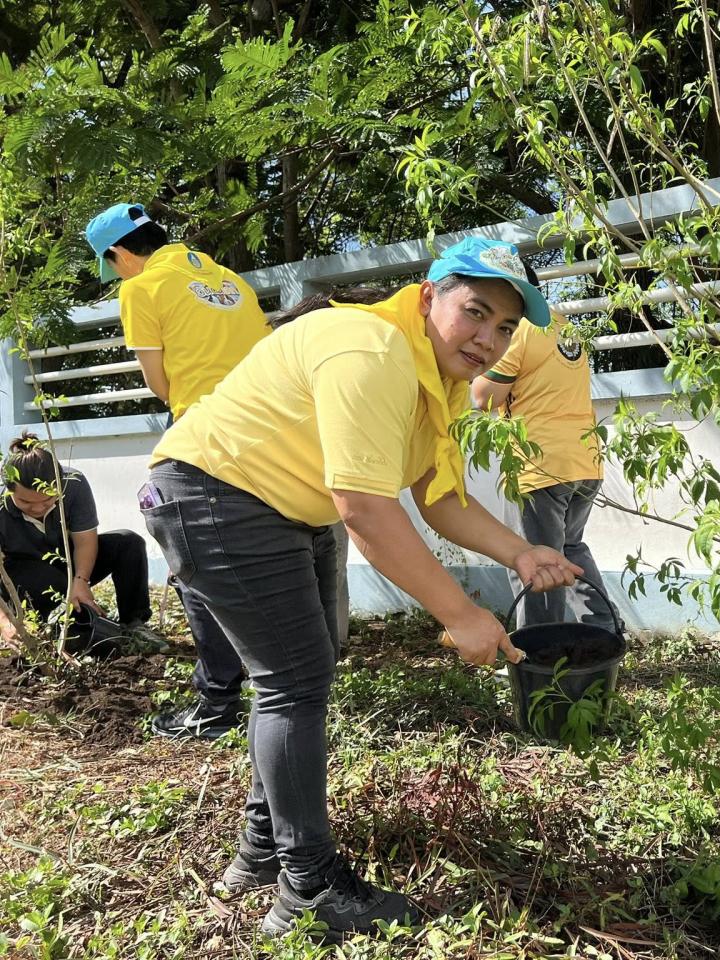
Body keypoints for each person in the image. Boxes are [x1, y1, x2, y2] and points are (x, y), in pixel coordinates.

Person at [140, 237, 581, 940]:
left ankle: (263, 851)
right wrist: (462, 614)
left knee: (299, 674)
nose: (488, 339)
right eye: (477, 312)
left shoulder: (431, 380)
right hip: (215, 497)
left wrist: (520, 552)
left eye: (505, 328)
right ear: (430, 295)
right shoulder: (371, 350)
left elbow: (438, 498)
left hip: (280, 507)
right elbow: (368, 510)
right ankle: (308, 890)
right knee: (296, 679)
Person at [84, 202, 268, 739]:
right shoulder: (230, 279)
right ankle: (281, 688)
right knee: (265, 563)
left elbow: (162, 385)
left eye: (110, 263)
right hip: (269, 429)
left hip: (207, 438)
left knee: (193, 567)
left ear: (120, 252)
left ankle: (216, 704)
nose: (115, 273)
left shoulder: (141, 289)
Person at [472, 306, 621, 632]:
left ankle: (538, 651)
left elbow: (482, 396)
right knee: (569, 548)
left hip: (540, 464)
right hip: (585, 460)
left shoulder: (518, 330)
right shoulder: (566, 328)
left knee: (534, 559)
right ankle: (606, 628)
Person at [0, 433, 157, 651]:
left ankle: (134, 623)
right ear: (9, 490)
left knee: (128, 543)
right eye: (25, 501)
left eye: (47, 500)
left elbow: (85, 541)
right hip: (25, 571)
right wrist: (4, 622)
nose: (37, 508)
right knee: (63, 598)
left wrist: (81, 580)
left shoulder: (74, 484)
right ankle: (66, 626)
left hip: (66, 558)